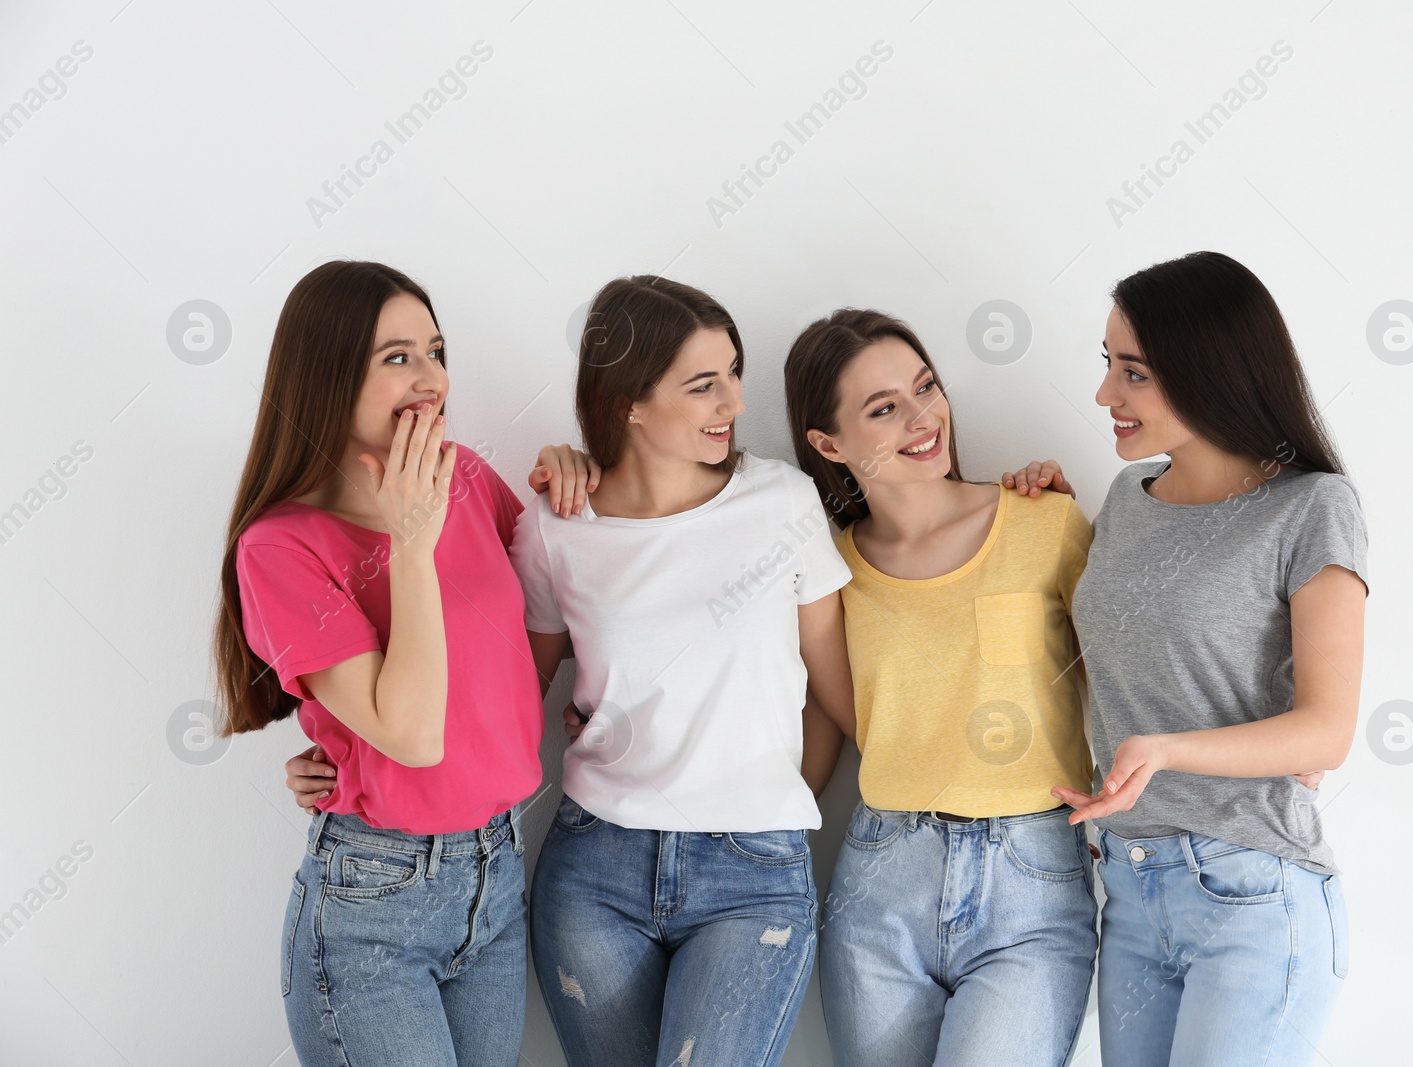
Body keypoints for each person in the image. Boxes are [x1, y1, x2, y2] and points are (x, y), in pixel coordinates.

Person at [220, 260, 561, 1066]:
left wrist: (576, 477)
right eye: (397, 356)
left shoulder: (470, 478)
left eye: (436, 351)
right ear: (329, 373)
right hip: (372, 901)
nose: (431, 377)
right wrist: (412, 544)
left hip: (497, 874)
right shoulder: (280, 546)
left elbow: (552, 618)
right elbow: (410, 734)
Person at [513, 275, 857, 1067]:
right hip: (593, 872)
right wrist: (357, 753)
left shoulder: (782, 502)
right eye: (704, 385)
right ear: (628, 400)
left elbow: (838, 695)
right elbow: (510, 702)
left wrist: (769, 804)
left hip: (752, 875)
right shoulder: (556, 524)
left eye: (733, 373)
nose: (733, 403)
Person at [1054, 251, 1367, 1066]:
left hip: (1252, 892)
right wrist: (1045, 508)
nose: (1104, 396)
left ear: (1207, 372)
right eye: (1107, 366)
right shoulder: (1125, 501)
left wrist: (1164, 752)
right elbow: (1118, 659)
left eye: (1134, 373)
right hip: (1128, 887)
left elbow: (1326, 731)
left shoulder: (1312, 507)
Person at [784, 308, 1099, 1066]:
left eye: (925, 387)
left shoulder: (1044, 520)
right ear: (828, 444)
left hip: (1032, 877)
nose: (923, 418)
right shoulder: (826, 571)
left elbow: (1126, 672)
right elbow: (830, 722)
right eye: (883, 408)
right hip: (881, 878)